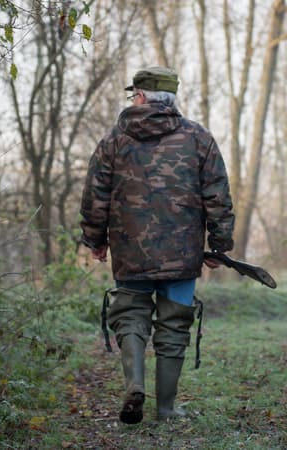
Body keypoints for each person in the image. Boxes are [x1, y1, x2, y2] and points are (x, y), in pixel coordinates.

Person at [79, 67, 235, 424]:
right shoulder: (198, 138)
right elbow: (218, 195)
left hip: (131, 251)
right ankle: (165, 409)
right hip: (183, 254)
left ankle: (135, 384)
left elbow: (95, 194)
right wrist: (220, 244)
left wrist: (95, 239)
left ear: (140, 97)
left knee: (130, 316)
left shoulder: (114, 140)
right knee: (174, 325)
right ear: (171, 98)